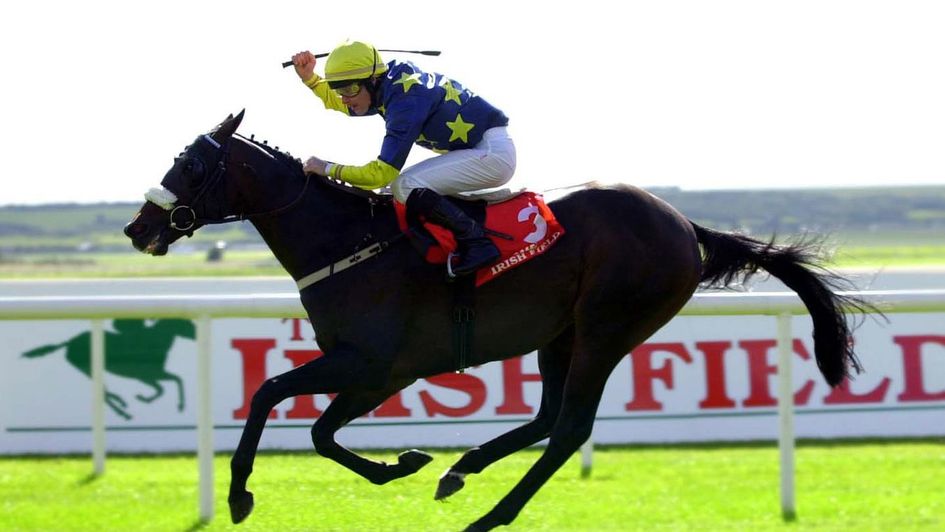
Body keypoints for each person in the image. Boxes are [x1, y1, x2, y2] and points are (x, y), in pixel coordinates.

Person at [292, 40, 516, 277]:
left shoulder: (405, 101)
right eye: (339, 90)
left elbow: (380, 175)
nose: (344, 98)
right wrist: (312, 80)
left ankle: (478, 244)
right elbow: (345, 103)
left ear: (373, 80)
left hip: (493, 155)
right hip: (479, 150)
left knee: (403, 185)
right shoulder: (390, 85)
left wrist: (327, 168)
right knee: (397, 189)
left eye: (348, 90)